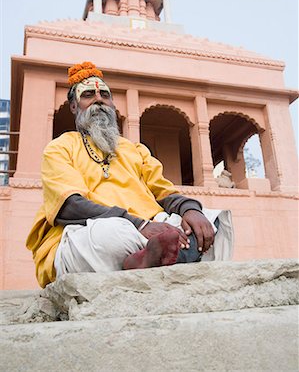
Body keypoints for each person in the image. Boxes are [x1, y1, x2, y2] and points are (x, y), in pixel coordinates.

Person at [26, 62, 233, 288]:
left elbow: (164, 193)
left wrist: (191, 209)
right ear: (75, 107)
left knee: (213, 221)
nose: (98, 100)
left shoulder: (135, 149)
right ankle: (167, 257)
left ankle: (153, 258)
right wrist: (140, 225)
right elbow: (69, 206)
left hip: (153, 232)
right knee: (112, 234)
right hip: (89, 234)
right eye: (88, 95)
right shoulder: (60, 147)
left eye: (105, 95)